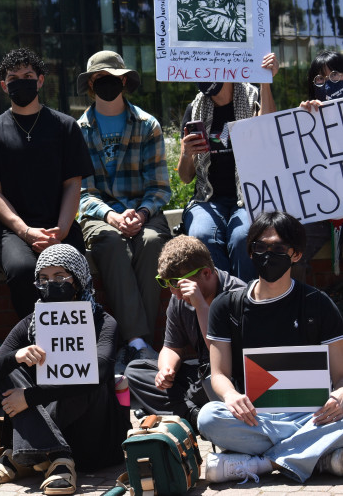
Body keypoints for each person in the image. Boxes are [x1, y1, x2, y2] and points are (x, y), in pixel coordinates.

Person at [197, 211, 343, 483]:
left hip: (314, 414)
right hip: (255, 416)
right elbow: (218, 374)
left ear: (296, 254)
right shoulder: (226, 306)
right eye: (260, 247)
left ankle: (264, 463)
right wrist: (230, 396)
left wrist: (341, 395)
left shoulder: (318, 303)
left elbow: (340, 375)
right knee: (208, 417)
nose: (267, 254)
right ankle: (317, 456)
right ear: (250, 252)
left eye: (277, 248)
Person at [0, 244, 123, 495]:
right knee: (7, 369)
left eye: (60, 277)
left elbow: (98, 373)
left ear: (77, 280)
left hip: (91, 436)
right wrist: (15, 357)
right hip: (55, 433)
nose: (50, 284)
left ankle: (23, 458)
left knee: (84, 369)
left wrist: (29, 398)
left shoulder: (104, 322)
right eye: (43, 278)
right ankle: (57, 457)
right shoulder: (29, 323)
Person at [0, 48, 91, 319]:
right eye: (13, 77)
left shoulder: (66, 127)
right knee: (24, 271)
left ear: (40, 80)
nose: (21, 81)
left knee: (68, 269)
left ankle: (75, 342)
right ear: (4, 86)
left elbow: (73, 184)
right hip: (11, 232)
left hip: (59, 225)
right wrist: (26, 232)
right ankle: (34, 342)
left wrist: (59, 232)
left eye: (28, 75)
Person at [76, 50, 171, 372]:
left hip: (143, 210)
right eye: (101, 79)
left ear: (125, 81)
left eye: (114, 79)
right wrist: (111, 216)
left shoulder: (148, 125)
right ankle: (140, 344)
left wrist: (141, 214)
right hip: (101, 216)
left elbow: (159, 186)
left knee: (152, 242)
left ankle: (134, 343)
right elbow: (82, 192)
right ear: (91, 83)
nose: (108, 84)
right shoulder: (78, 130)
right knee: (111, 243)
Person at [124, 235, 245, 431]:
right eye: (168, 285)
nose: (176, 293)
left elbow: (221, 356)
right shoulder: (178, 297)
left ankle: (191, 416)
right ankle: (196, 416)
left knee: (216, 381)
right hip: (199, 376)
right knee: (135, 372)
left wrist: (201, 307)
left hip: (229, 377)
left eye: (180, 285)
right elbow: (171, 347)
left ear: (206, 273)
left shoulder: (237, 296)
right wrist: (166, 369)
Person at [178, 53, 279, 283]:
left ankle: (246, 305)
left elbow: (268, 130)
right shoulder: (195, 109)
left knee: (243, 237)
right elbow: (185, 177)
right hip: (209, 199)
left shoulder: (253, 97)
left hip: (249, 195)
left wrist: (265, 80)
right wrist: (186, 153)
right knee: (202, 236)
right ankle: (223, 307)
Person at [295, 50, 343, 280]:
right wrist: (307, 121)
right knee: (289, 245)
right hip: (321, 215)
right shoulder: (305, 118)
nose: (327, 83)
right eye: (320, 79)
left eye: (335, 75)